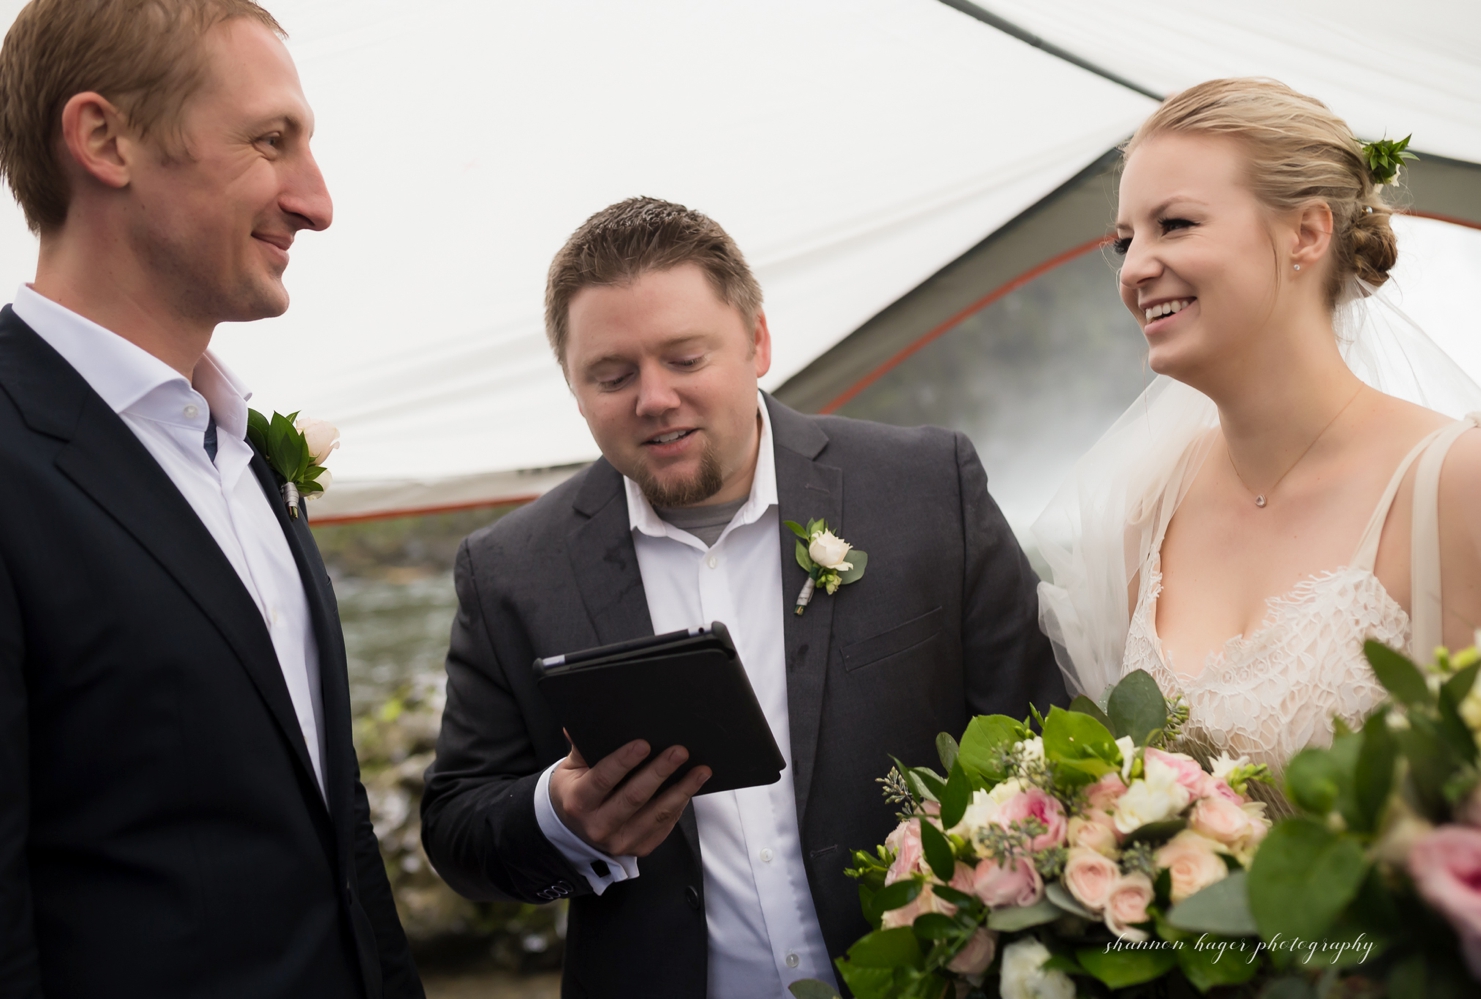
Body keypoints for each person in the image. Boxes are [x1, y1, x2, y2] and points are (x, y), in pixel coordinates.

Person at [420, 197, 1065, 998]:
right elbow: (456, 826)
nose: (653, 398)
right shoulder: (508, 567)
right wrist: (564, 814)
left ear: (757, 341)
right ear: (574, 389)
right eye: (613, 376)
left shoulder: (928, 487)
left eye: (685, 359)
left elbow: (1044, 736)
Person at [0, 1, 423, 996]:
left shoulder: (246, 458)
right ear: (104, 140)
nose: (316, 202)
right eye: (270, 141)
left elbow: (336, 831)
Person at [1035, 78, 1481, 773]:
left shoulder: (1463, 481)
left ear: (1307, 233)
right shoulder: (1151, 505)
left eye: (1176, 224)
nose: (1134, 269)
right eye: (1126, 239)